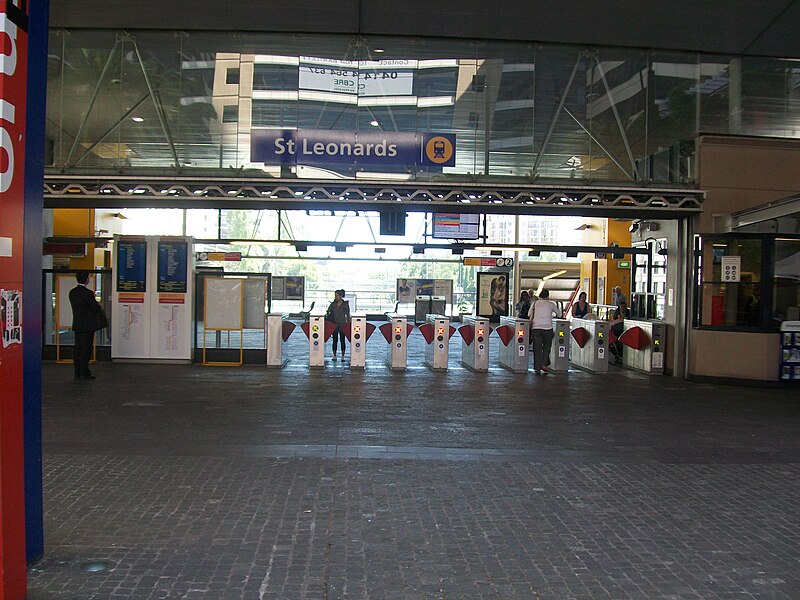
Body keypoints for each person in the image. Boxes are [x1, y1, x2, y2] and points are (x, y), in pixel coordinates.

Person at [68, 270, 105, 380]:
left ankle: (77, 372)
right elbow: (94, 307)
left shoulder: (72, 292)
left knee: (77, 348)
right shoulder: (88, 293)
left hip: (77, 324)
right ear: (86, 279)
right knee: (86, 349)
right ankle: (84, 372)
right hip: (88, 325)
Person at [528, 288, 560, 375]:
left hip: (536, 328)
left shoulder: (535, 303)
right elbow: (559, 314)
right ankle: (544, 364)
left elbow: (529, 314)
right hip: (548, 328)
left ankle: (537, 368)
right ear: (548, 296)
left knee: (537, 348)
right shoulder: (551, 304)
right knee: (547, 347)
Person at [325, 288, 350, 361]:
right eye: (335, 296)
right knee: (334, 340)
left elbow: (348, 315)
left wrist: (348, 323)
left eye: (337, 295)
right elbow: (328, 312)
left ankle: (343, 356)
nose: (336, 297)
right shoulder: (333, 304)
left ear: (341, 296)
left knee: (342, 340)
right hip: (334, 324)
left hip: (342, 324)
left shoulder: (345, 304)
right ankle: (334, 355)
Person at [609, 299, 630, 364]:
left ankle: (620, 355)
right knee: (614, 342)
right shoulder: (617, 312)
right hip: (616, 330)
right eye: (622, 306)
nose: (623, 308)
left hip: (624, 330)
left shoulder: (628, 312)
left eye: (624, 306)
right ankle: (617, 355)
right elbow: (613, 321)